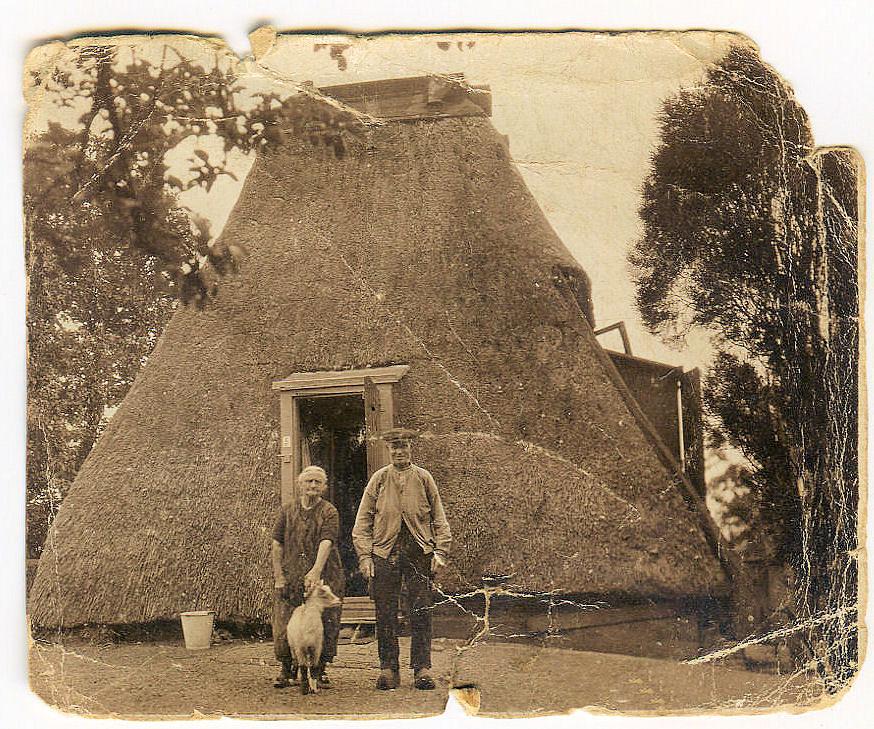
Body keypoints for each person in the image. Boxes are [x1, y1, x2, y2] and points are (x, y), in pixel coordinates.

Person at [352, 428, 451, 691]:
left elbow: (439, 519)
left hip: (419, 551)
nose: (399, 451)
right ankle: (388, 668)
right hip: (385, 552)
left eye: (403, 446)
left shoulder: (424, 478)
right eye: (394, 447)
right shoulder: (379, 479)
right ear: (389, 450)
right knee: (385, 611)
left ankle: (422, 668)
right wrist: (365, 556)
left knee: (421, 609)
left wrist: (440, 552)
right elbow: (362, 522)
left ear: (410, 449)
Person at [271, 465, 345, 689]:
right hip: (291, 573)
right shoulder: (287, 511)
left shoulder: (329, 511)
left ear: (324, 487)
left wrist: (315, 571)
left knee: (325, 622)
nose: (313, 486)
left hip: (325, 574)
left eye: (317, 482)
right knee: (285, 621)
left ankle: (319, 669)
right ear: (300, 484)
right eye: (308, 481)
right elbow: (277, 544)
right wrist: (279, 575)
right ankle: (287, 668)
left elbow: (327, 541)